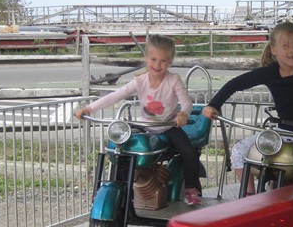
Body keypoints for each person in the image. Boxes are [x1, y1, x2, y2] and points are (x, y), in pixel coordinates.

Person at [202, 21, 293, 194]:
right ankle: (249, 196)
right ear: (274, 50)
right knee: (238, 151)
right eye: (286, 46)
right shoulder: (270, 72)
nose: (292, 50)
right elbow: (235, 84)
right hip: (283, 131)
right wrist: (214, 105)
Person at [74, 34, 202, 205]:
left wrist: (184, 113)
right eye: (153, 59)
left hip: (168, 126)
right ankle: (119, 187)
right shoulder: (140, 80)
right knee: (119, 149)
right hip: (144, 126)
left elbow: (186, 102)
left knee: (189, 152)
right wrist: (89, 108)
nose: (157, 65)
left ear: (170, 61)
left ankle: (191, 189)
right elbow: (116, 95)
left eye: (163, 61)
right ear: (146, 58)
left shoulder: (173, 80)